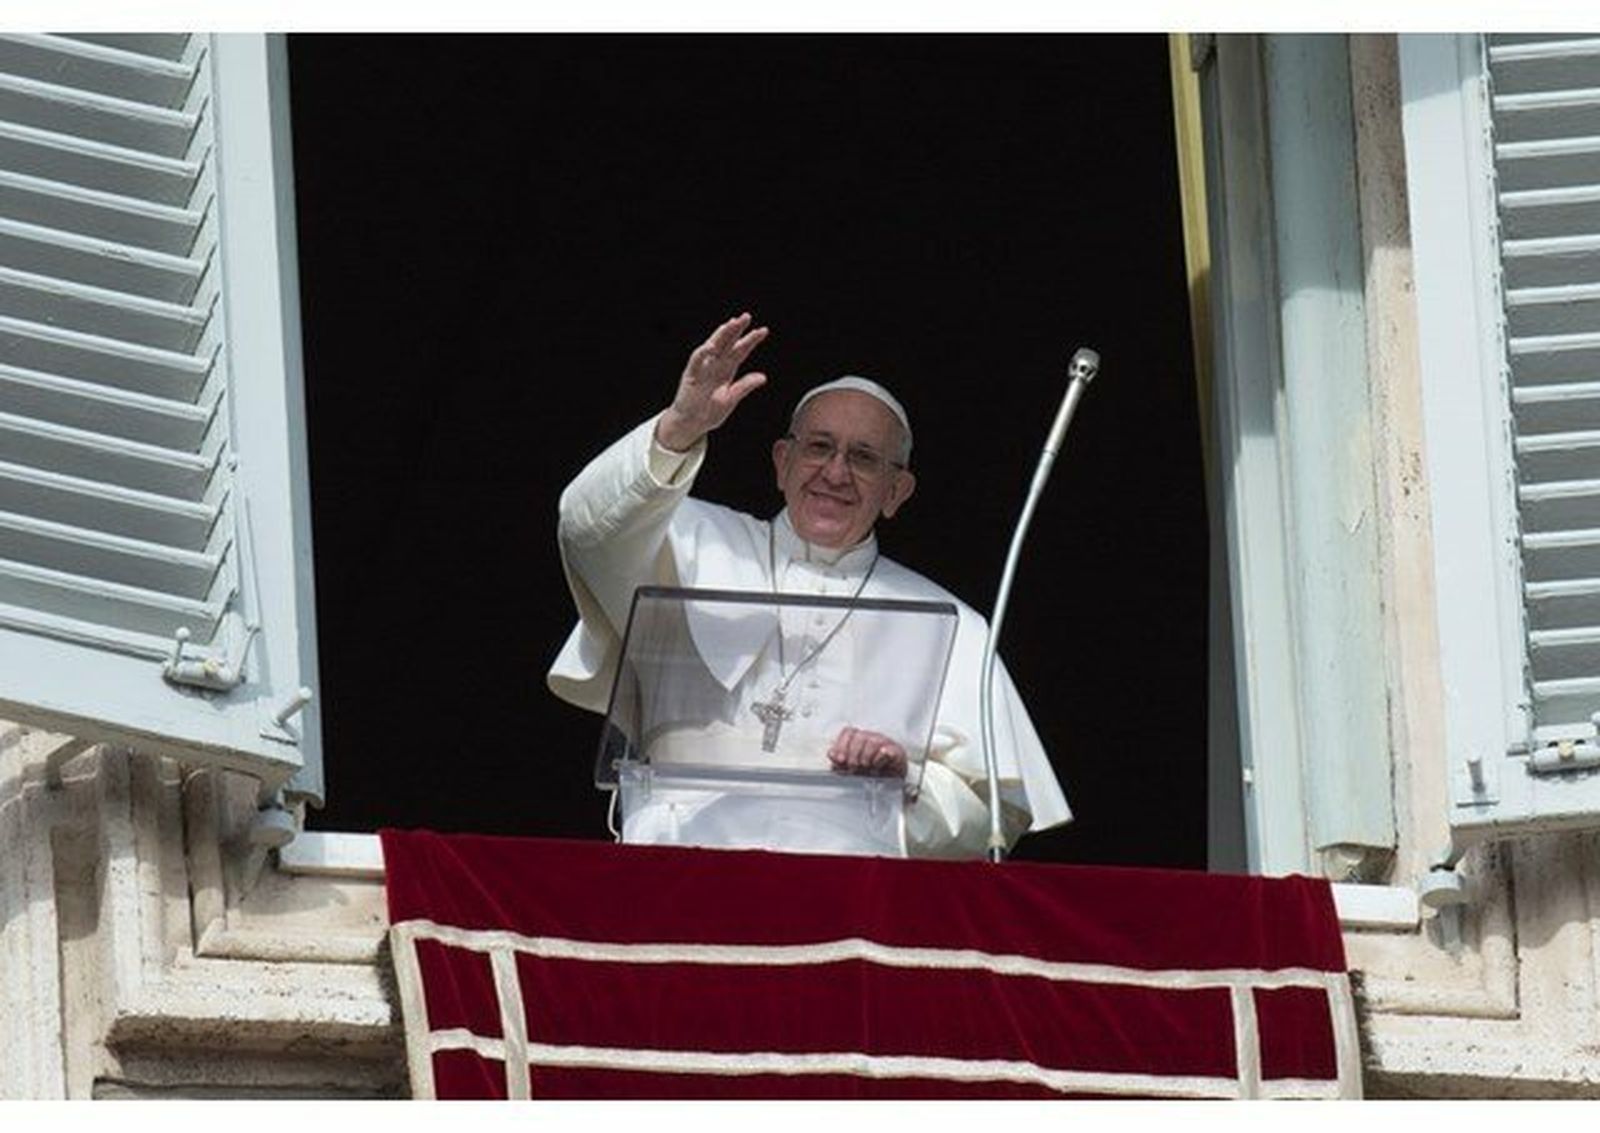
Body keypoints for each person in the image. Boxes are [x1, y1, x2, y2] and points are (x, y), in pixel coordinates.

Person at [549, 312, 1071, 858]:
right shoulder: (686, 540)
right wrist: (679, 427)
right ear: (782, 462)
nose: (836, 472)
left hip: (849, 905)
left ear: (897, 491)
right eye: (819, 447)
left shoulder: (951, 622)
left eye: (864, 458)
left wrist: (906, 782)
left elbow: (992, 814)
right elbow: (585, 530)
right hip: (681, 866)